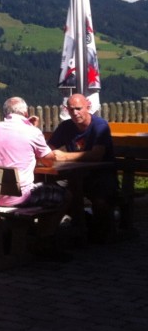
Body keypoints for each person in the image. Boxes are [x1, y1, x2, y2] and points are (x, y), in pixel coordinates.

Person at [47, 93, 118, 240]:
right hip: (76, 176)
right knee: (61, 196)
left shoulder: (100, 126)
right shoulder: (66, 126)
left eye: (78, 108)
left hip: (102, 175)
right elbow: (48, 148)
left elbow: (96, 155)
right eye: (71, 109)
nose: (75, 113)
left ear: (88, 107)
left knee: (100, 201)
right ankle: (85, 226)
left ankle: (100, 231)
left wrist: (65, 156)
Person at [0, 97, 60, 209]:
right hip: (21, 197)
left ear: (5, 113)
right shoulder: (33, 132)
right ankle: (48, 227)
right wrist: (32, 128)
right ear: (26, 113)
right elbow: (49, 161)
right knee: (66, 195)